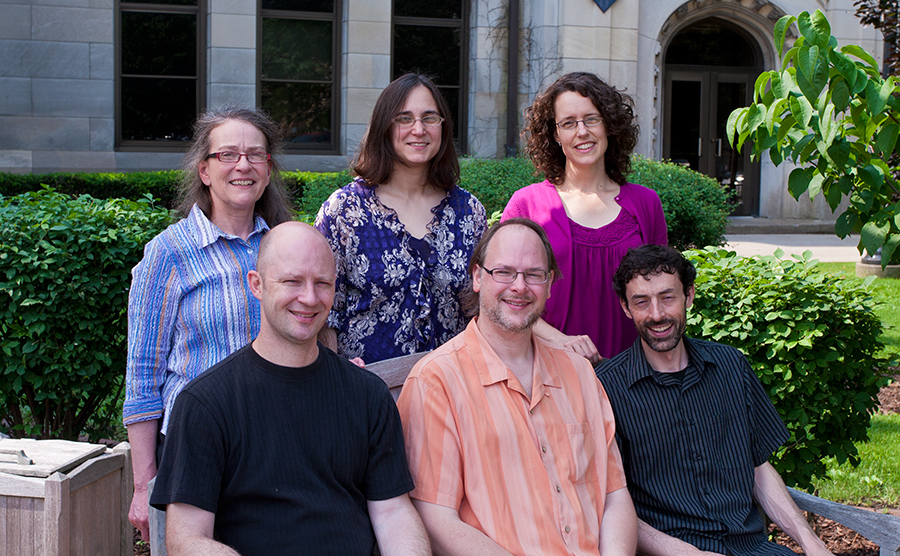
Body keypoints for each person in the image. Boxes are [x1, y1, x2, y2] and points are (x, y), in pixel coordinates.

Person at [151, 222, 431, 556]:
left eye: (323, 284)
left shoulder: (368, 395)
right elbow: (186, 537)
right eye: (292, 281)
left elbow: (393, 512)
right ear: (257, 285)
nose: (309, 298)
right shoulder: (205, 403)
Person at [397, 218, 638, 556]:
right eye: (504, 272)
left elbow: (614, 495)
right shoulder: (436, 383)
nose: (519, 287)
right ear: (478, 276)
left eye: (534, 274)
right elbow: (435, 520)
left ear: (550, 283)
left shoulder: (580, 374)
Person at [595, 244, 834, 556]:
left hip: (753, 549)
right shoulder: (607, 387)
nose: (657, 315)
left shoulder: (730, 365)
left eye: (668, 297)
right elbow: (610, 502)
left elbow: (759, 470)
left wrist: (812, 544)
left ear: (689, 296)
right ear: (626, 307)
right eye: (641, 302)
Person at [123, 107, 294, 541]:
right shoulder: (169, 253)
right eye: (228, 155)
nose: (244, 165)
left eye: (256, 154)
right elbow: (142, 377)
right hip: (194, 450)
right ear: (204, 169)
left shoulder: (284, 245)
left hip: (278, 443)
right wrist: (145, 485)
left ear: (268, 169)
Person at [315, 73, 487, 364]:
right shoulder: (344, 210)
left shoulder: (469, 212)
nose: (418, 129)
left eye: (430, 118)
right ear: (385, 126)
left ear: (443, 127)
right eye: (404, 118)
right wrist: (335, 376)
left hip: (454, 390)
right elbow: (325, 308)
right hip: (369, 389)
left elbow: (485, 306)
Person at [502, 72, 667, 363]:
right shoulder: (527, 204)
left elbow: (663, 293)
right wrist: (561, 342)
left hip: (633, 375)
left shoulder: (646, 203)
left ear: (608, 124)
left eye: (591, 119)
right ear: (555, 134)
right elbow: (503, 296)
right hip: (550, 369)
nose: (582, 132)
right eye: (568, 123)